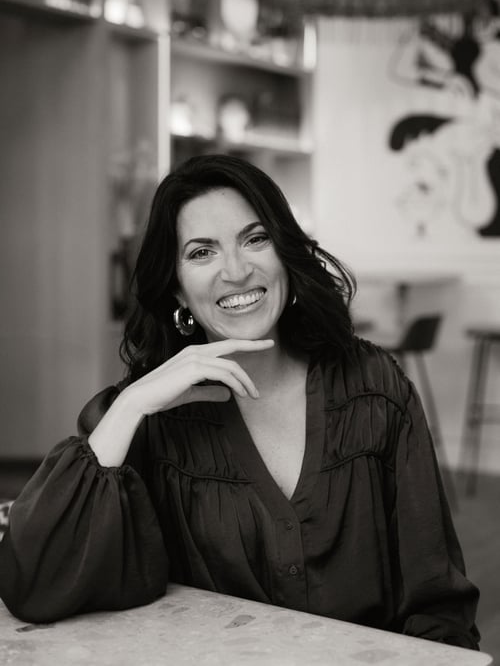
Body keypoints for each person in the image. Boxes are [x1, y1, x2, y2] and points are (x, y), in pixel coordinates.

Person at [0, 154, 480, 649]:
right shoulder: (149, 419)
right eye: (201, 253)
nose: (236, 271)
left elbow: (438, 605)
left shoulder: (373, 386)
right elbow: (35, 583)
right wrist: (129, 406)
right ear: (177, 290)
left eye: (255, 239)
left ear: (285, 255)